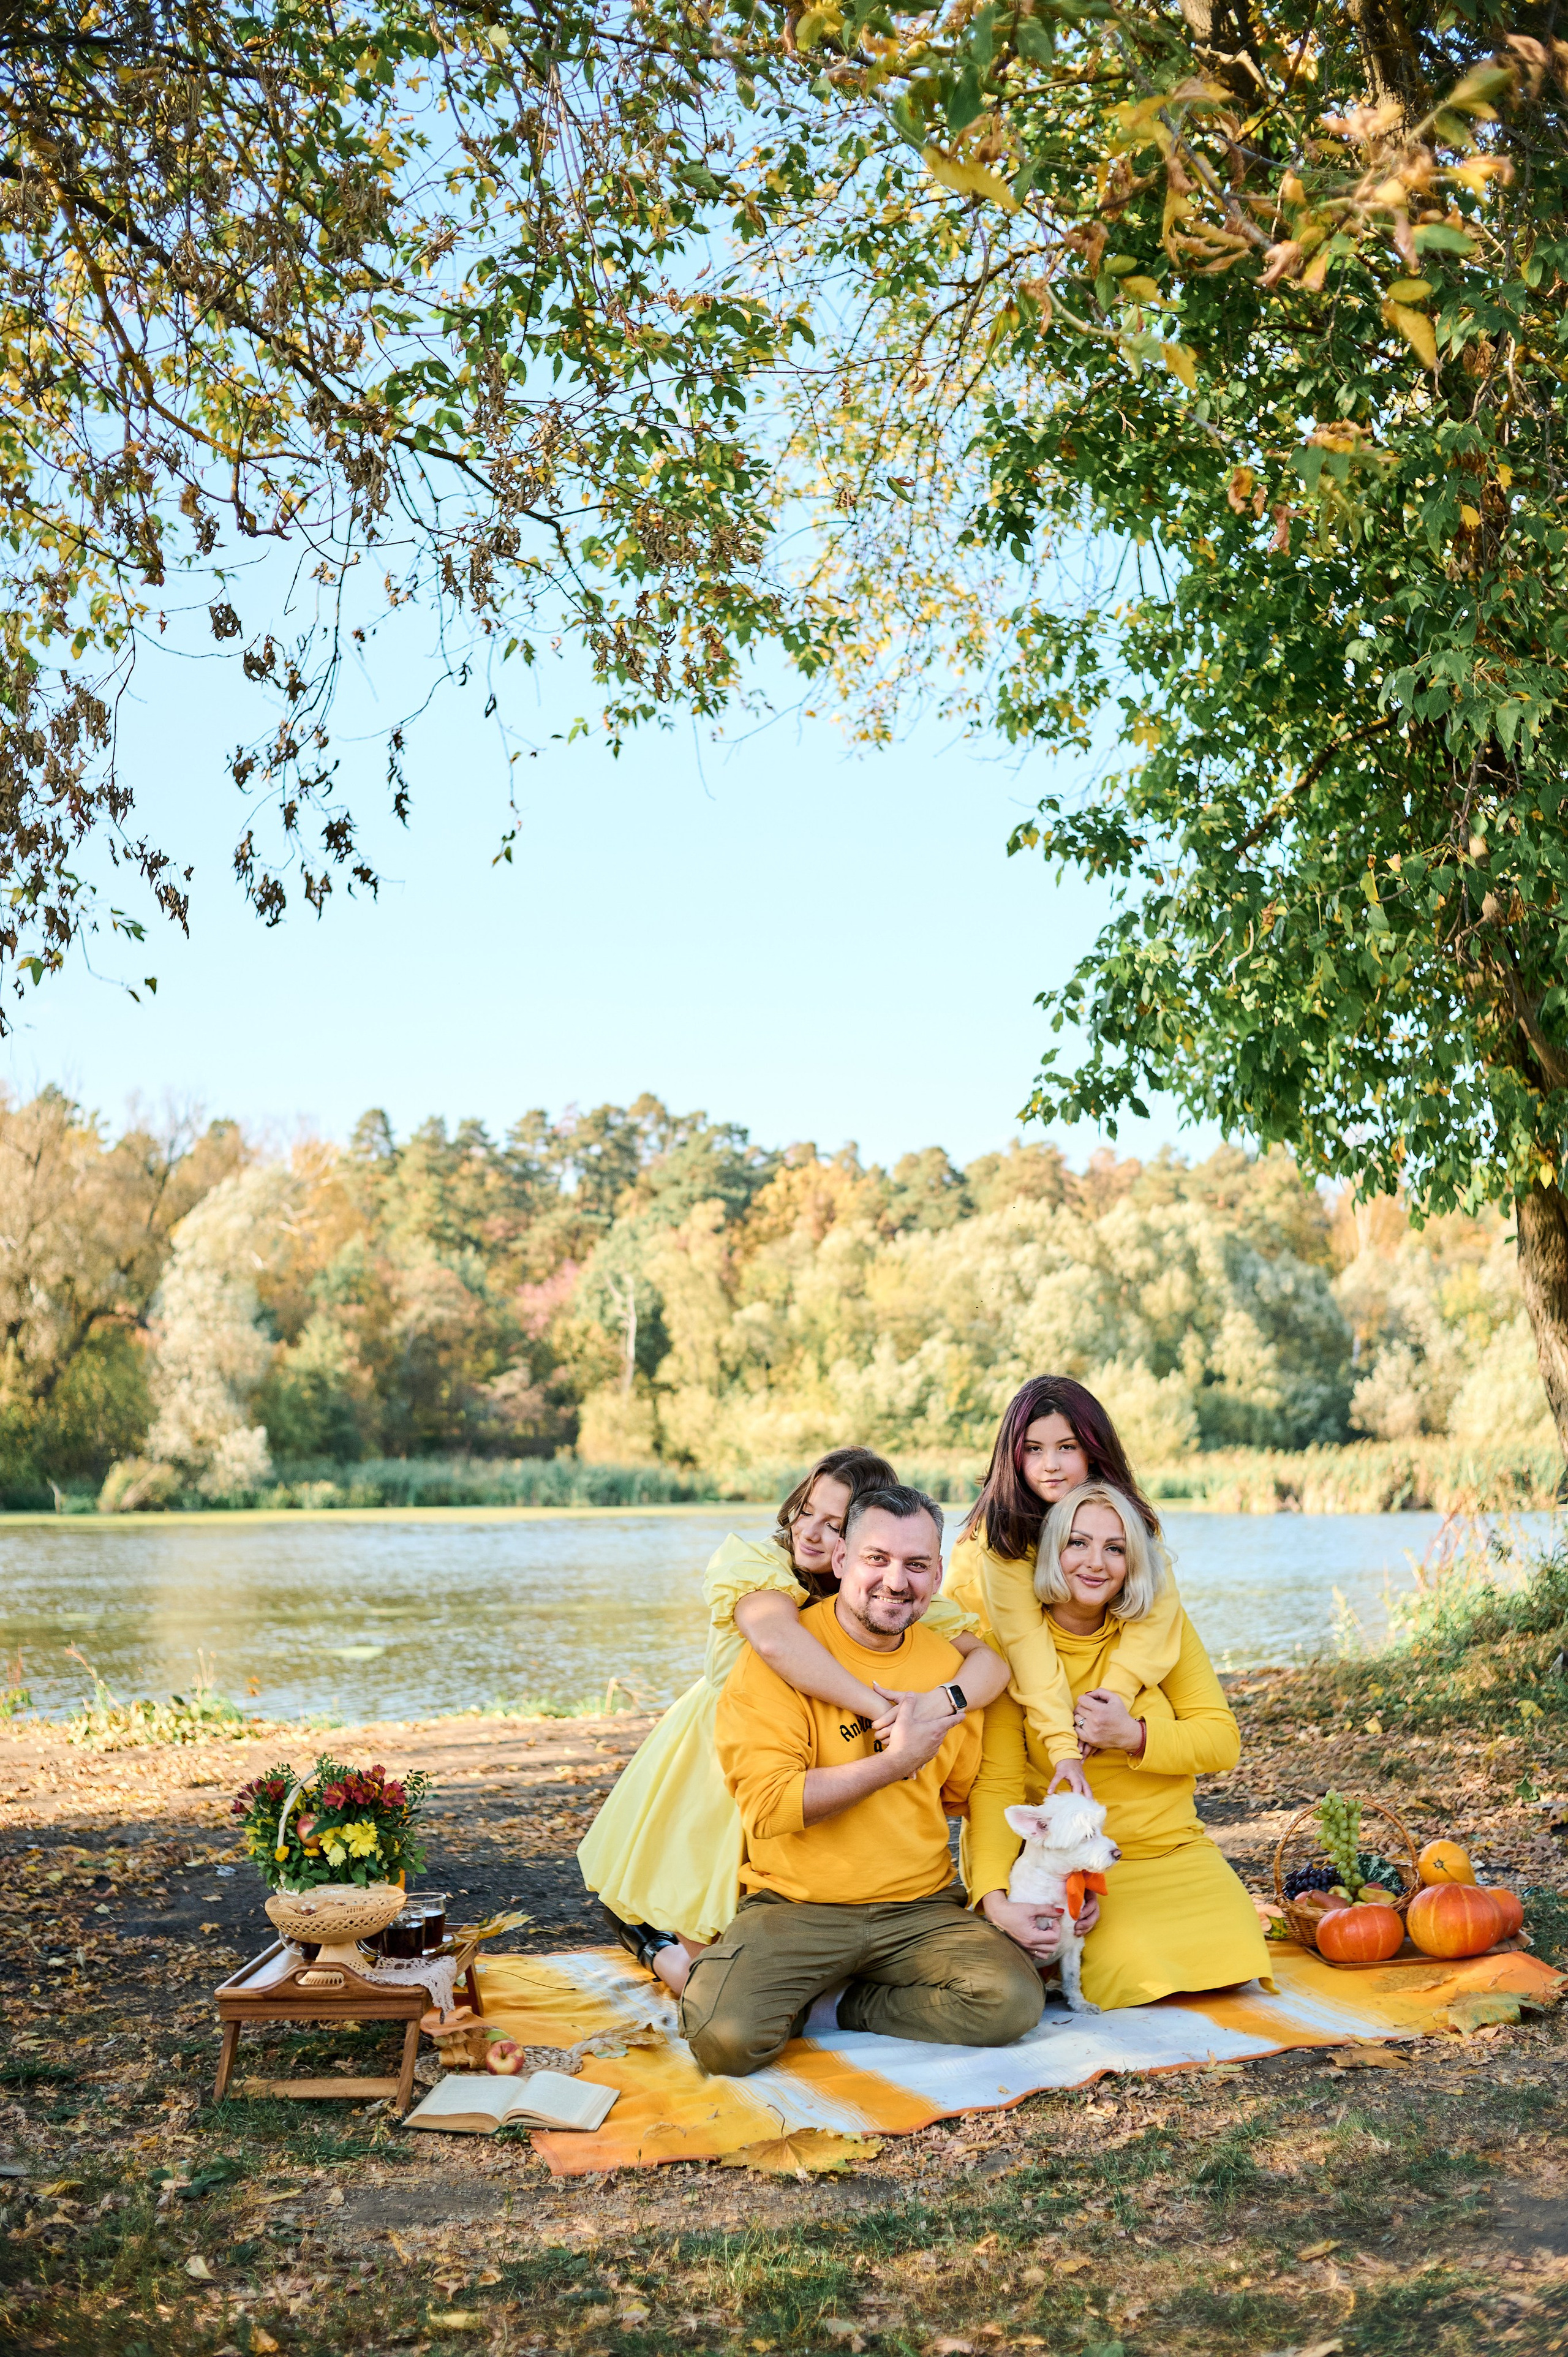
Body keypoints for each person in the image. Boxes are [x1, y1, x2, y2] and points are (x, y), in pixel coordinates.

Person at [577, 1447, 1011, 1994]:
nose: (811, 1532)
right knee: (703, 1944)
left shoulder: (878, 1586)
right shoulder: (759, 1567)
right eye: (807, 1510)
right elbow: (780, 1644)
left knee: (765, 1944)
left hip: (813, 1749)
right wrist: (885, 1712)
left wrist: (937, 1704)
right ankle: (652, 1943)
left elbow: (991, 1663)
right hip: (719, 1756)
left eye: (833, 1524)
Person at [680, 1485, 1047, 2076]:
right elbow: (770, 1809)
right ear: (842, 1559)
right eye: (876, 1559)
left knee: (1011, 2002)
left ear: (937, 1575)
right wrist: (891, 1765)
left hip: (918, 1907)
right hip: (797, 1906)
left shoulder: (947, 1670)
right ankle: (713, 1965)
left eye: (916, 1565)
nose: (896, 1582)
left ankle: (839, 2004)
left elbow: (958, 1796)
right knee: (724, 2036)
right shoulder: (780, 1660)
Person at [967, 1479, 1272, 2010]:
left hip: (1173, 1848)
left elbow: (1223, 1742)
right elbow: (996, 1787)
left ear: (1133, 1562)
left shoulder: (1162, 1630)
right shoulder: (1009, 1649)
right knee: (1139, 1967)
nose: (1096, 1563)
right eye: (1077, 1543)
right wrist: (993, 1898)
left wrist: (1133, 1735)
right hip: (1077, 1864)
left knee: (1236, 1954)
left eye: (1116, 1549)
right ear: (1051, 1551)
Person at [946, 1376, 1185, 1801]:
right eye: (1034, 1449)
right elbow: (1024, 1645)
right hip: (996, 1667)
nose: (1050, 1465)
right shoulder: (1000, 1538)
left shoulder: (1124, 1520)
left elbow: (1153, 1616)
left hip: (1069, 1670)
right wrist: (1063, 1746)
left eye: (1067, 1447)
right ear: (1013, 1455)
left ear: (1093, 1451)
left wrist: (1107, 1702)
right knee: (999, 1783)